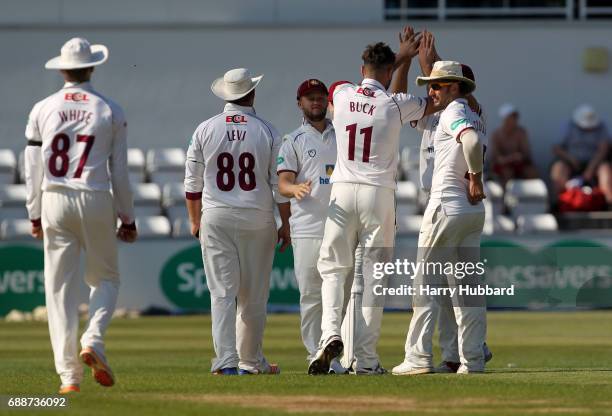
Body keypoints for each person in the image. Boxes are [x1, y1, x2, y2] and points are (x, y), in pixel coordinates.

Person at [308, 27, 434, 375]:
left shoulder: (342, 93)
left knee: (333, 270)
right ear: (390, 69)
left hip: (343, 190)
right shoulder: (396, 103)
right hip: (379, 195)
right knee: (374, 278)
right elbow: (418, 103)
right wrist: (408, 60)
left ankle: (330, 335)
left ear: (363, 68)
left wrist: (399, 60)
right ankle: (365, 360)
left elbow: (358, 99)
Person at [24, 37, 137, 394]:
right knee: (106, 279)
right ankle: (94, 340)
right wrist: (128, 217)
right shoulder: (109, 109)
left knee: (58, 291)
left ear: (62, 69)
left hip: (54, 197)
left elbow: (33, 167)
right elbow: (119, 170)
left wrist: (34, 213)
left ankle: (68, 378)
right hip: (95, 195)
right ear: (91, 67)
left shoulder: (42, 108)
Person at [184, 68, 289, 375]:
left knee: (222, 293)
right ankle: (250, 361)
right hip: (257, 216)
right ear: (252, 93)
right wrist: (286, 224)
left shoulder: (204, 129)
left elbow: (192, 181)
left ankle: (227, 361)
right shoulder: (268, 131)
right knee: (254, 296)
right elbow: (278, 185)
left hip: (215, 216)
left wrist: (194, 221)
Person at [393, 60, 488, 375]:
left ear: (455, 88)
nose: (430, 92)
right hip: (471, 212)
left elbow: (470, 141)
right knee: (468, 291)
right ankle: (472, 360)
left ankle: (418, 358)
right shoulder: (472, 113)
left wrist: (475, 177)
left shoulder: (453, 112)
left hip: (447, 205)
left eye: (436, 85)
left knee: (425, 284)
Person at [551, 104, 612, 204]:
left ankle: (609, 203)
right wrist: (571, 159)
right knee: (558, 169)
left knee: (605, 170)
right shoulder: (568, 127)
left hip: (595, 163)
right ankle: (559, 203)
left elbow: (603, 150)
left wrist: (590, 169)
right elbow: (556, 148)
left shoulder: (601, 127)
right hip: (571, 163)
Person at [489, 103, 539, 187]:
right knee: (507, 173)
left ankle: (529, 197)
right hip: (502, 166)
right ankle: (506, 197)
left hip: (519, 164)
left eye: (515, 117)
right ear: (505, 119)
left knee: (532, 172)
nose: (515, 120)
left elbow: (526, 153)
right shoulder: (496, 135)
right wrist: (510, 158)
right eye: (512, 117)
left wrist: (520, 157)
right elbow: (496, 157)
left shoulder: (521, 132)